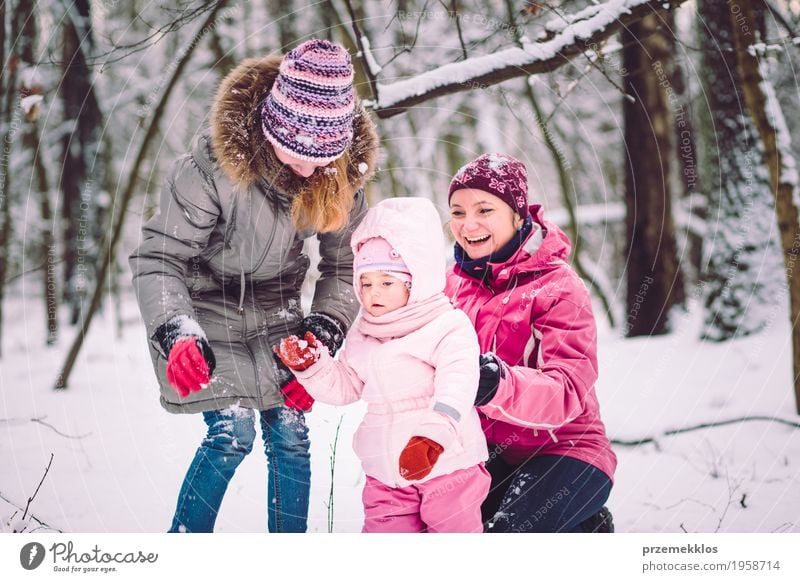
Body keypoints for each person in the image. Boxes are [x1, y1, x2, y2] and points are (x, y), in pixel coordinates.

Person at [129, 39, 379, 533]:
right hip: (205, 312)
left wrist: (324, 329)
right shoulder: (212, 170)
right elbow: (161, 258)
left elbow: (346, 266)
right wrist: (175, 331)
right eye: (298, 153)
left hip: (278, 319)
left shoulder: (337, 176)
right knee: (232, 432)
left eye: (322, 157)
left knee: (290, 434)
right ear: (271, 129)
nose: (309, 168)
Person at [275, 197, 490, 533]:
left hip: (448, 466)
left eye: (387, 282)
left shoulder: (446, 325)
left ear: (416, 280)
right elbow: (347, 385)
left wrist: (431, 437)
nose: (374, 293)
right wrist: (314, 367)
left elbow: (459, 385)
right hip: (385, 475)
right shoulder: (365, 330)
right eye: (366, 282)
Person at [445, 153, 617, 533]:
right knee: (448, 526)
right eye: (457, 212)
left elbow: (569, 390)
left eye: (484, 209)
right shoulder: (451, 287)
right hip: (488, 450)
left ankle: (582, 519)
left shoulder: (559, 288)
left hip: (566, 449)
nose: (468, 224)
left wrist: (500, 384)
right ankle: (583, 526)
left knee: (508, 535)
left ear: (518, 215)